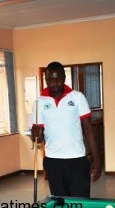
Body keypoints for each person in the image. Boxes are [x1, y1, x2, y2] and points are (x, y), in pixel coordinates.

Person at [30, 61, 101, 197]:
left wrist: (97, 160)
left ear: (64, 78)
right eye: (50, 79)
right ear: (46, 79)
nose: (54, 83)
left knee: (80, 203)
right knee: (61, 204)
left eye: (58, 79)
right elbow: (39, 138)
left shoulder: (77, 97)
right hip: (53, 161)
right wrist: (36, 135)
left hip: (77, 160)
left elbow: (88, 130)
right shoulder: (39, 102)